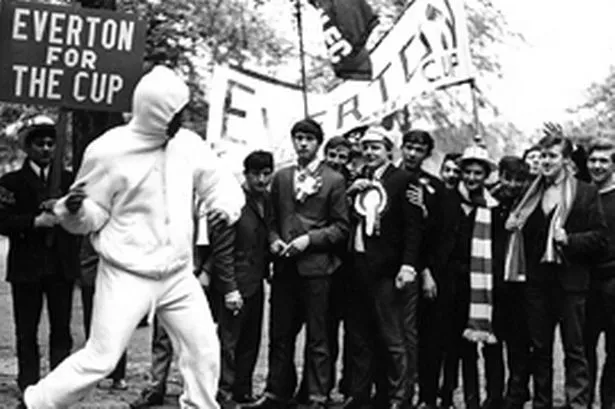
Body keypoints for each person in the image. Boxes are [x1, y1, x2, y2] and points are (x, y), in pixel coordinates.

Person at [21, 65, 245, 409]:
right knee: (101, 358)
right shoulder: (108, 150)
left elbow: (219, 182)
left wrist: (224, 207)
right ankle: (36, 403)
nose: (181, 121)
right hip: (127, 273)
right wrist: (76, 211)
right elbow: (93, 216)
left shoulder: (187, 144)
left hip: (177, 274)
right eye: (175, 113)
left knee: (204, 350)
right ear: (155, 112)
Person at [252, 118, 349, 409]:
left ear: (318, 144)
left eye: (309, 138)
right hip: (284, 269)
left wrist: (311, 240)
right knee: (280, 333)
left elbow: (341, 227)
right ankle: (276, 392)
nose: (303, 143)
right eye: (298, 138)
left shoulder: (334, 180)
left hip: (317, 269)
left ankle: (317, 395)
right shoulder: (281, 178)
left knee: (317, 336)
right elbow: (270, 221)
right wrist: (273, 241)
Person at [505, 134, 607, 409]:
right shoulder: (530, 192)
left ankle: (577, 404)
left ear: (565, 160)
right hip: (537, 284)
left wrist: (569, 240)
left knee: (575, 350)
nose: (546, 161)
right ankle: (542, 402)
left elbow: (600, 237)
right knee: (540, 349)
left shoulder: (585, 192)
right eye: (543, 155)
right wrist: (513, 224)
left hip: (572, 283)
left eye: (552, 156)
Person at [0, 115, 80, 400]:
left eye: (51, 143)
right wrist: (34, 222)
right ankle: (29, 385)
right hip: (27, 266)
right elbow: (2, 220)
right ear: (27, 147)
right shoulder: (11, 182)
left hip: (61, 265)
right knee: (26, 331)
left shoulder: (71, 181)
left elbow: (85, 218)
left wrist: (68, 210)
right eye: (40, 143)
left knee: (61, 331)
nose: (46, 149)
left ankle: (57, 389)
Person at [343, 127, 423, 409]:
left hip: (388, 270)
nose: (369, 153)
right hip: (358, 267)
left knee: (393, 336)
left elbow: (414, 229)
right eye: (365, 148)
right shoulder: (358, 180)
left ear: (389, 150)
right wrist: (349, 195)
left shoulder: (405, 180)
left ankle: (399, 397)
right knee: (360, 336)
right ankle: (360, 394)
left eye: (376, 147)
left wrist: (408, 265)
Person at [215, 150, 274, 407]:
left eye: (266, 173)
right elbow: (223, 250)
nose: (261, 180)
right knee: (228, 341)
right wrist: (229, 288)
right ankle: (223, 391)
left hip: (257, 282)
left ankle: (242, 388)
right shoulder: (232, 201)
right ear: (245, 174)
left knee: (251, 339)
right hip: (235, 283)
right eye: (256, 174)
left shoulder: (269, 201)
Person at [399, 130, 446, 408]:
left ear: (427, 154)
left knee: (421, 335)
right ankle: (392, 391)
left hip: (420, 269)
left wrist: (423, 212)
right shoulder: (389, 178)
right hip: (390, 268)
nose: (413, 153)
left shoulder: (434, 188)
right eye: (409, 147)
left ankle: (424, 394)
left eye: (419, 149)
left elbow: (437, 234)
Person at [490, 157, 532, 409]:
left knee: (519, 343)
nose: (513, 184)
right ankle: (494, 393)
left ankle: (516, 392)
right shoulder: (490, 202)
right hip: (493, 283)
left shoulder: (530, 203)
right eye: (509, 178)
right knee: (493, 343)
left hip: (520, 284)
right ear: (501, 176)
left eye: (519, 180)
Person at [585, 138, 615, 409]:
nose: (597, 165)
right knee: (584, 350)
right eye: (593, 160)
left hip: (613, 284)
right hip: (585, 285)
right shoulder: (582, 196)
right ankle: (583, 402)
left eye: (603, 160)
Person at [79, 239, 127, 391]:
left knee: (118, 324)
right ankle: (95, 372)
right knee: (93, 324)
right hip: (91, 272)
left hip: (116, 273)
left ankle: (118, 374)